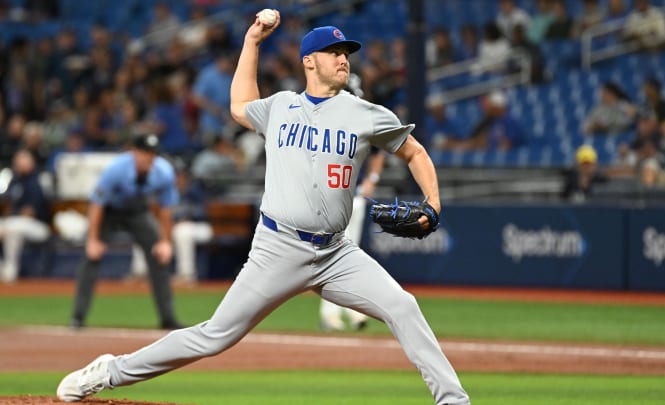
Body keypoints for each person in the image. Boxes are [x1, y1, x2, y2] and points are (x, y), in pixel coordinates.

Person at [57, 13, 470, 405]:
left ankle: (453, 400)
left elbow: (414, 152)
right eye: (334, 52)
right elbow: (240, 105)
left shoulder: (366, 114)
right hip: (279, 246)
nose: (343, 58)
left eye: (347, 53)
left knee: (403, 306)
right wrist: (252, 40)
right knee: (214, 337)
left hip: (336, 253)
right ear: (309, 61)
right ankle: (110, 371)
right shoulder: (281, 106)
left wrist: (433, 203)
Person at [68, 133, 183, 330]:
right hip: (110, 211)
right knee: (92, 259)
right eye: (145, 153)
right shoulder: (117, 168)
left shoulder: (163, 171)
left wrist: (165, 241)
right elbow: (97, 204)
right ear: (135, 152)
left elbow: (166, 209)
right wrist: (93, 239)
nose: (150, 158)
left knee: (159, 257)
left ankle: (168, 318)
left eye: (153, 153)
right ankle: (78, 317)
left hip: (138, 211)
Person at [319, 149, 385, 331]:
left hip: (355, 195)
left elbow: (378, 152)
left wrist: (372, 179)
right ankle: (333, 312)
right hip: (332, 196)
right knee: (334, 252)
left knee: (350, 251)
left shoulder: (363, 121)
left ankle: (350, 309)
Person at [0, 150, 51, 283]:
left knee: (10, 229)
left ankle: (8, 272)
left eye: (23, 160)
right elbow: (9, 207)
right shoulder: (15, 181)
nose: (20, 163)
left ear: (32, 163)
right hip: (17, 226)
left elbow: (29, 213)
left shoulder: (35, 182)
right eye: (18, 160)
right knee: (13, 235)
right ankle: (8, 272)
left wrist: (7, 222)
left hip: (39, 227)